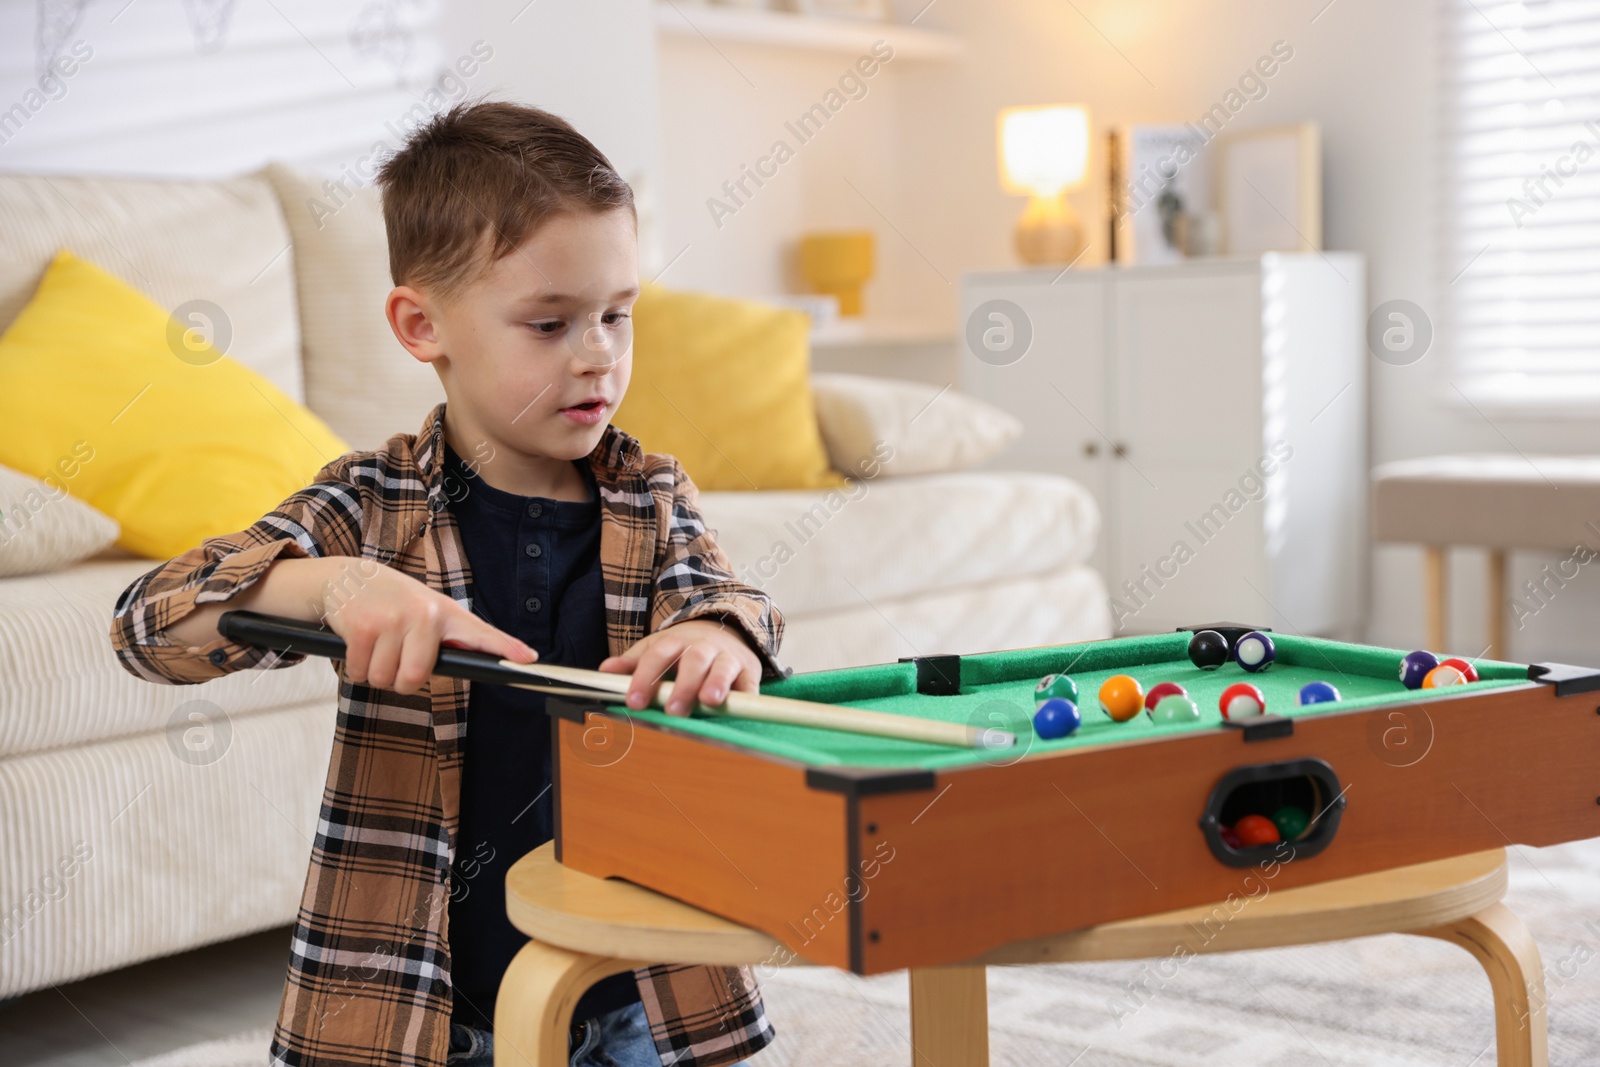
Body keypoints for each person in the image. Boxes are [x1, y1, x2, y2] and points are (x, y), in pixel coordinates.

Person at [110, 100, 782, 1067]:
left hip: (638, 994)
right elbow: (150, 623)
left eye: (617, 315)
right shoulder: (371, 502)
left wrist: (718, 638)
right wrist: (333, 587)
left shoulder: (649, 492)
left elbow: (737, 604)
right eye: (549, 323)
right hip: (420, 1006)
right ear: (422, 324)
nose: (598, 352)